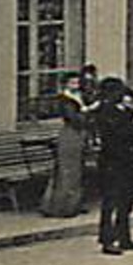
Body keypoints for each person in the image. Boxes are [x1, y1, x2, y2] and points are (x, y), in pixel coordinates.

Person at [91, 76, 133, 255]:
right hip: (112, 162)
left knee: (126, 201)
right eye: (118, 92)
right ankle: (107, 240)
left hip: (128, 161)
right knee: (111, 201)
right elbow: (116, 134)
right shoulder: (105, 112)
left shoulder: (124, 110)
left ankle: (124, 238)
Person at [39, 71, 91, 217]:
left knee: (77, 170)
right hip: (70, 134)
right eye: (72, 83)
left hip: (79, 134)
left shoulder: (79, 97)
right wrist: (87, 111)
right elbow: (73, 119)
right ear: (66, 84)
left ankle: (74, 203)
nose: (76, 85)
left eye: (77, 82)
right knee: (68, 170)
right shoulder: (65, 100)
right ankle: (62, 207)